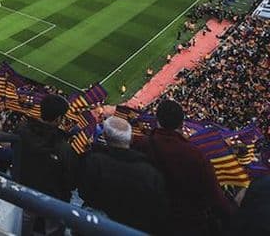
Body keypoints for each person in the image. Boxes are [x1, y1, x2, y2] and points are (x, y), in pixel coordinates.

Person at [133, 99, 235, 235]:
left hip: (151, 216)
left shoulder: (140, 143)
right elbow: (214, 195)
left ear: (157, 120)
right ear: (182, 123)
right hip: (186, 222)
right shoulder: (195, 155)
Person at [78, 116, 168, 233]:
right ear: (130, 139)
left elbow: (84, 192)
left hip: (97, 224)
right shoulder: (150, 172)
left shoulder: (94, 161)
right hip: (132, 227)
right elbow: (159, 207)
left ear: (105, 136)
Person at [16, 93, 78, 236]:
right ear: (58, 119)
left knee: (25, 220)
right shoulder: (64, 148)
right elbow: (70, 181)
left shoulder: (22, 130)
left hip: (24, 189)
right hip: (52, 199)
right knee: (53, 228)